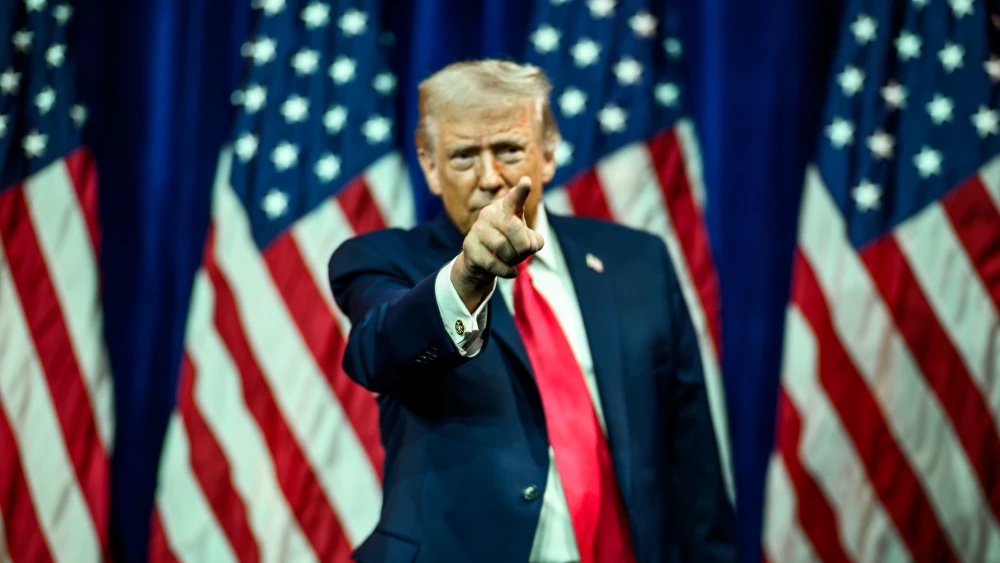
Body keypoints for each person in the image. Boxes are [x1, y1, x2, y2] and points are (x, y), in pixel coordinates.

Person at [328, 59, 736, 563]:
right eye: (462, 157)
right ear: (429, 167)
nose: (490, 177)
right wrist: (468, 278)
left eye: (509, 150)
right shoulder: (381, 262)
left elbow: (692, 464)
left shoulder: (638, 262)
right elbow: (378, 351)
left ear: (547, 154)